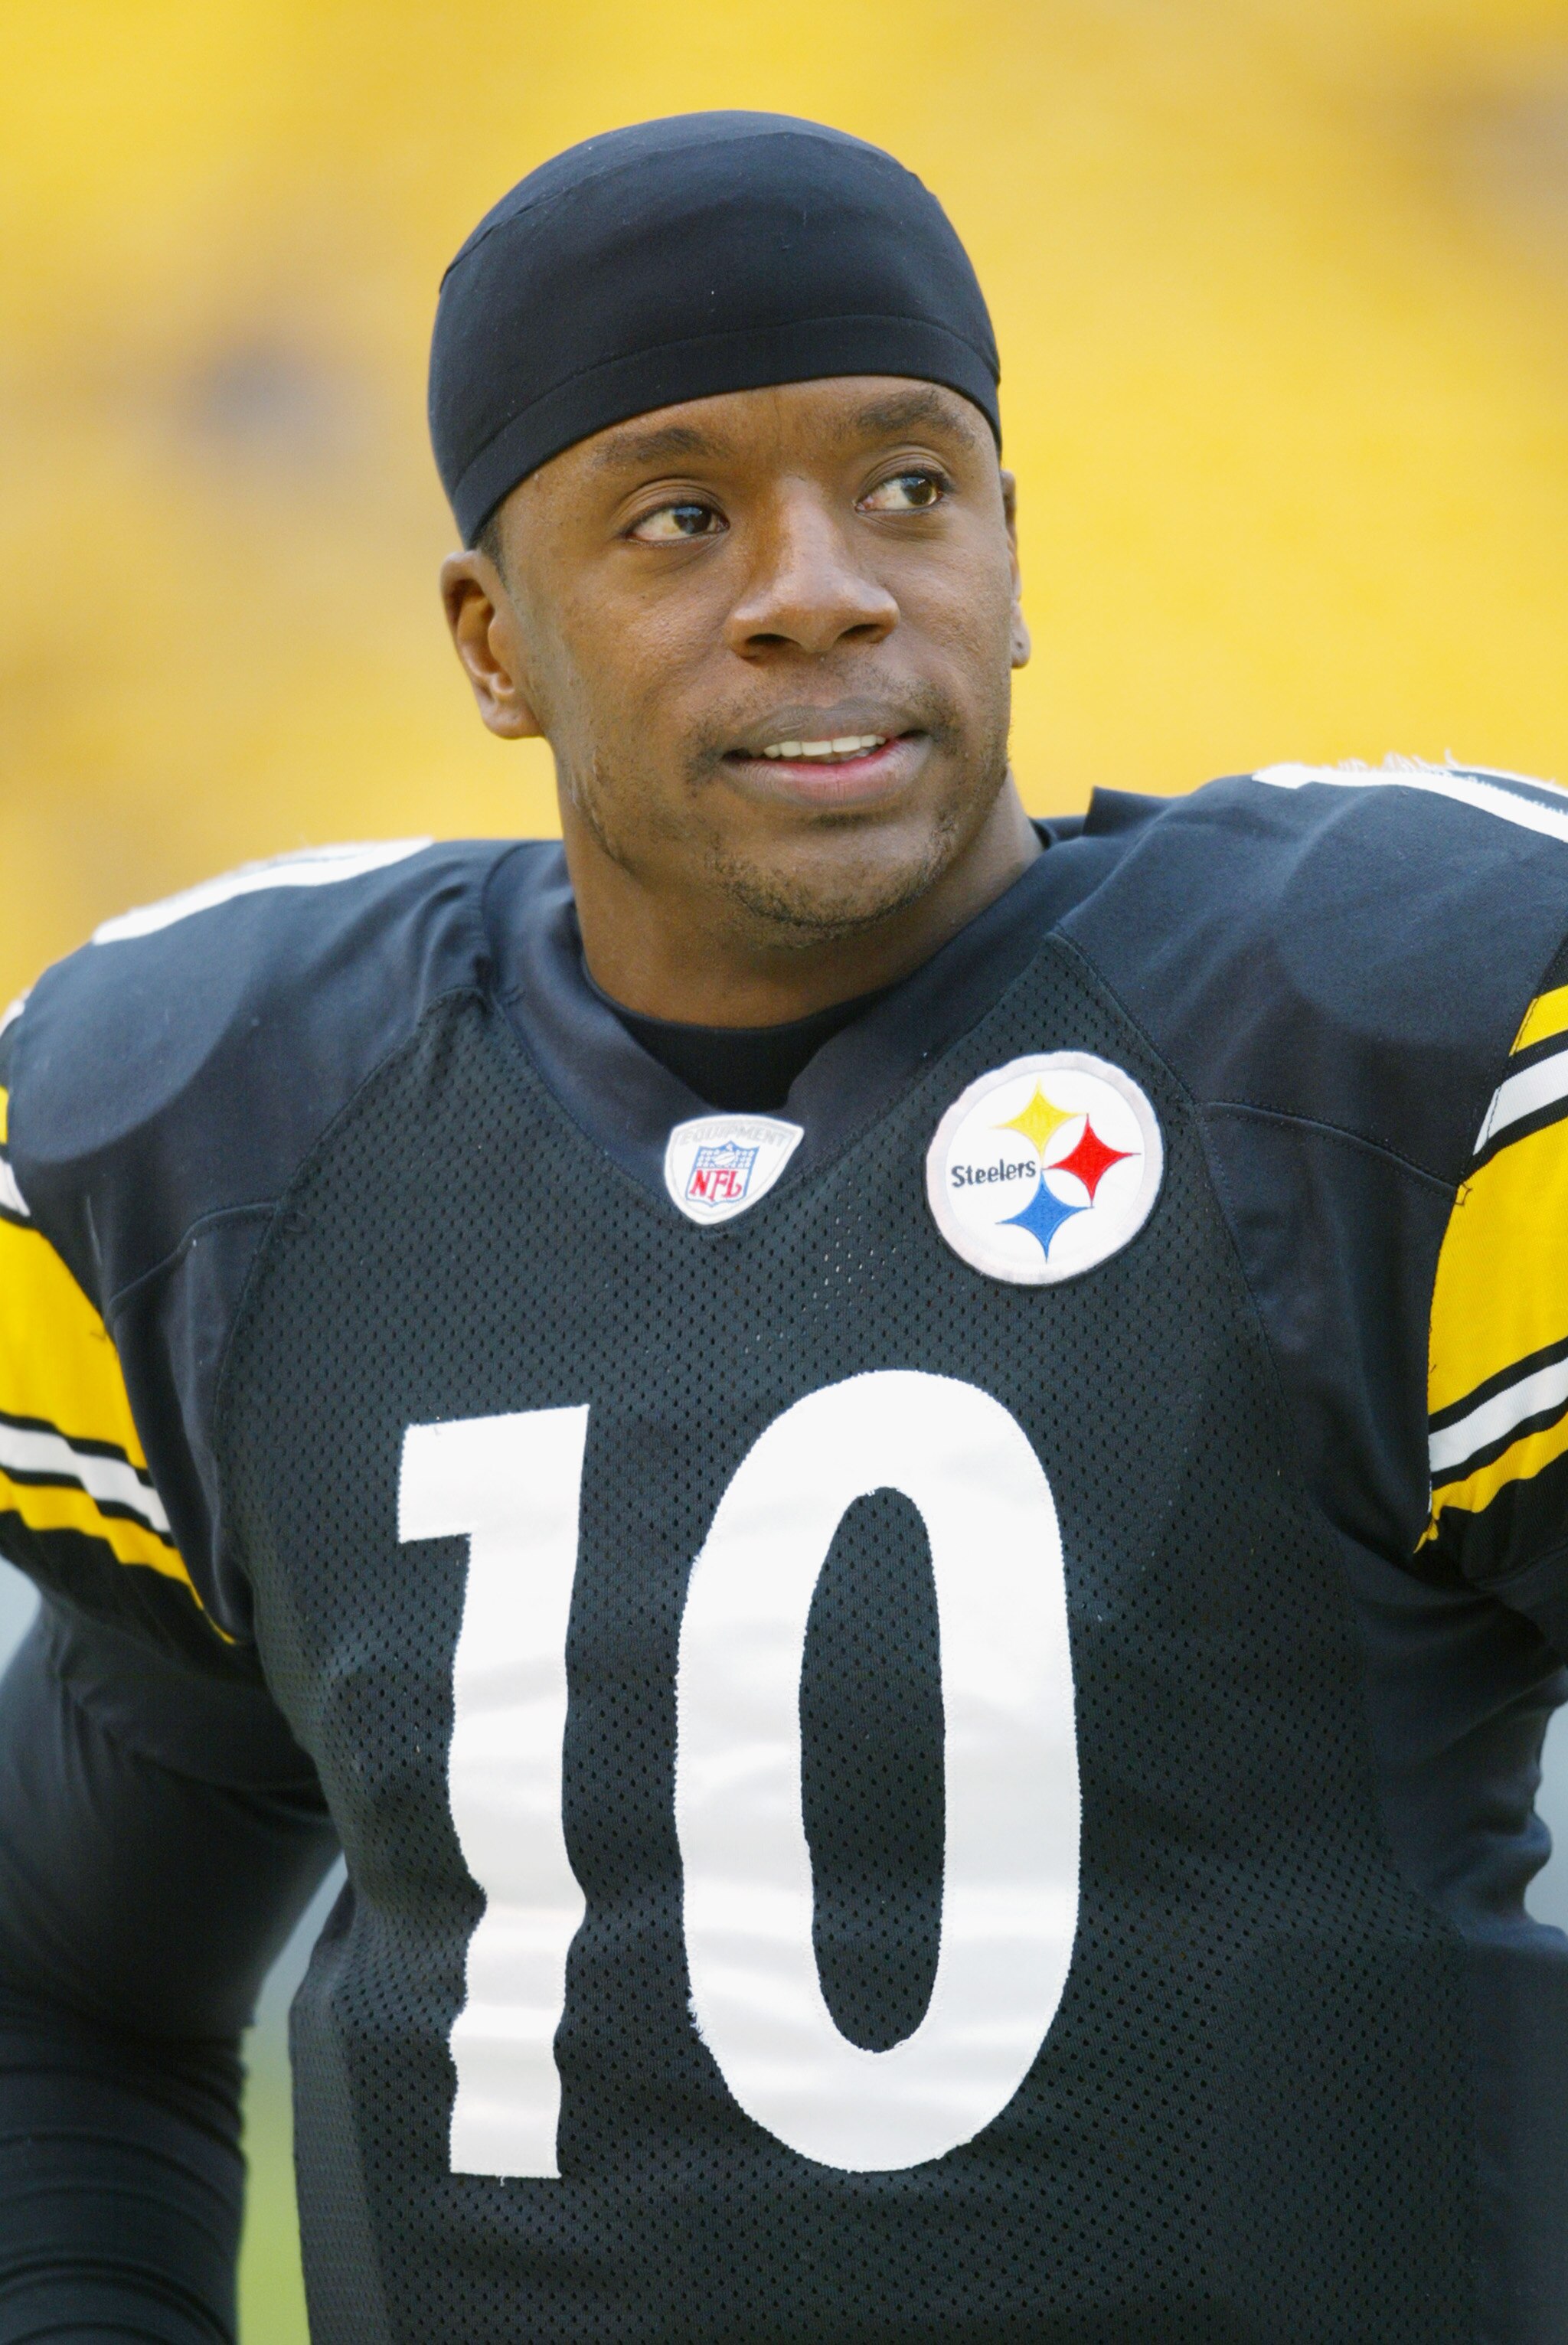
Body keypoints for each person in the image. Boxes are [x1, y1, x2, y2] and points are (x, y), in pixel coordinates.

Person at [0, 107, 1563, 2345]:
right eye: (678, 516)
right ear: (493, 636)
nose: (820, 579)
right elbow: (59, 1977)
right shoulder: (261, 1154)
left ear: (1014, 552)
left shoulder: (1358, 1056)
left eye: (907, 486)